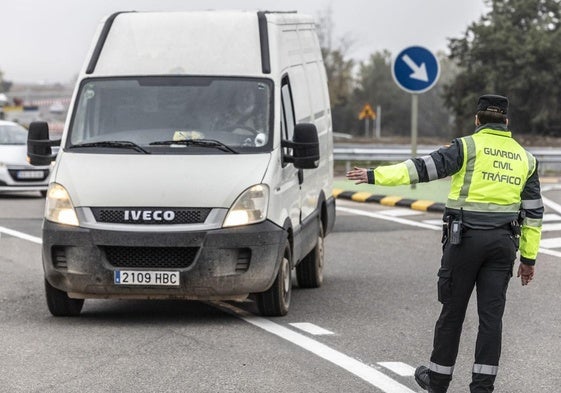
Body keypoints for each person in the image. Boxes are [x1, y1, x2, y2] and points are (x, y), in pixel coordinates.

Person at [346, 94, 543, 392]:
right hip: (503, 245)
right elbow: (534, 214)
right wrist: (528, 260)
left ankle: (437, 381)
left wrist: (374, 175)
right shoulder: (525, 158)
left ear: (477, 120)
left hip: (464, 241)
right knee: (491, 319)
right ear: (507, 121)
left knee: (452, 312)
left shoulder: (466, 147)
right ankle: (482, 387)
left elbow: (420, 169)